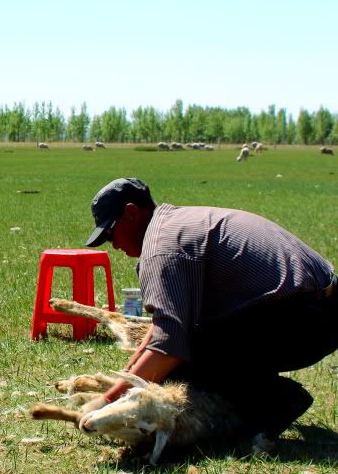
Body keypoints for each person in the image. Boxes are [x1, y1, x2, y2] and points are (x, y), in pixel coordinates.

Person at [82, 177, 338, 438]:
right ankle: (269, 396)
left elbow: (169, 345)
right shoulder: (174, 225)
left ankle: (275, 400)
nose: (113, 244)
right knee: (175, 355)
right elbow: (164, 324)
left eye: (110, 233)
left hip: (304, 320)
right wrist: (128, 376)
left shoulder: (162, 248)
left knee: (178, 365)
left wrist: (108, 403)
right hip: (318, 311)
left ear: (132, 213)